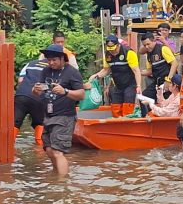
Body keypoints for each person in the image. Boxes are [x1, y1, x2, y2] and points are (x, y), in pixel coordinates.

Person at [31, 44, 84, 175]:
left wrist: (65, 91)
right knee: (48, 150)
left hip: (65, 116)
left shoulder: (72, 72)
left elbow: (81, 94)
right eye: (49, 60)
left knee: (57, 151)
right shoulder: (46, 71)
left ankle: (62, 183)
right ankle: (56, 177)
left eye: (54, 59)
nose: (51, 62)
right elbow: (39, 90)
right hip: (48, 115)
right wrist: (35, 90)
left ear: (62, 58)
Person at [89, 35, 142, 118]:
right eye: (110, 49)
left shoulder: (129, 53)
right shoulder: (107, 55)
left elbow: (136, 70)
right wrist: (96, 76)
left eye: (113, 49)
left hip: (130, 85)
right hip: (118, 85)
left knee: (127, 108)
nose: (112, 52)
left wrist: (138, 86)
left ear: (118, 45)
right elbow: (106, 70)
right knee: (115, 107)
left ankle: (127, 125)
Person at [140, 32, 179, 116]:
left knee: (168, 104)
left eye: (148, 44)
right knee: (144, 96)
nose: (147, 47)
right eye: (144, 45)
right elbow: (150, 71)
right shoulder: (149, 54)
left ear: (154, 41)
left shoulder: (163, 49)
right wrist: (139, 73)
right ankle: (148, 117)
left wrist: (168, 80)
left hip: (169, 81)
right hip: (157, 82)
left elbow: (175, 64)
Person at [14, 58, 48, 145]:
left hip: (21, 95)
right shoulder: (54, 66)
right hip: (39, 98)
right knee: (40, 123)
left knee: (15, 123)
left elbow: (20, 80)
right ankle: (40, 154)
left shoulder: (31, 63)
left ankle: (9, 151)